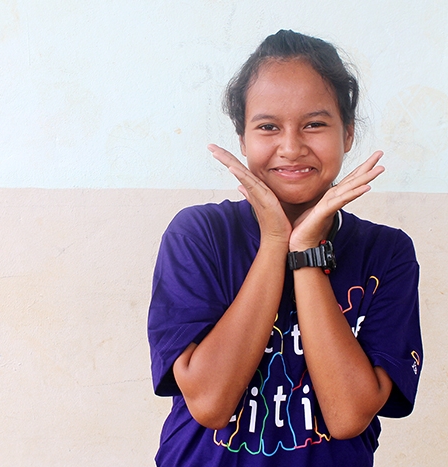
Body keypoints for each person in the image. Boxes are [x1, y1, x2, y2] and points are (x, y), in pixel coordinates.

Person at [147, 29, 422, 467]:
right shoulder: (199, 236)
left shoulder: (387, 253)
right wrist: (275, 242)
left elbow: (348, 416)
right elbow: (211, 404)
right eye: (268, 127)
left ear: (348, 134)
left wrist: (306, 250)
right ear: (242, 139)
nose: (291, 148)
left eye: (314, 124)